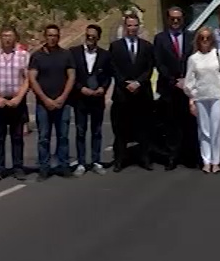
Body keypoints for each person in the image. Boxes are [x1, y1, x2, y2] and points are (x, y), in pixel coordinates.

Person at [0, 27, 32, 180]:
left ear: (16, 38)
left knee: (17, 137)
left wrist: (19, 98)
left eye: (10, 36)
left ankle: (18, 167)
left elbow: (28, 78)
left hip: (17, 101)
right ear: (0, 38)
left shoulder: (23, 55)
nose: (7, 39)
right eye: (4, 36)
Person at [28, 24, 76, 179]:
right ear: (45, 36)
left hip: (63, 103)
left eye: (55, 35)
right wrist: (45, 99)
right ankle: (44, 167)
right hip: (43, 104)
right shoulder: (37, 56)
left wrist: (63, 97)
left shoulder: (66, 54)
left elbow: (71, 77)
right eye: (49, 35)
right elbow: (32, 79)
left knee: (63, 136)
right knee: (43, 137)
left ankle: (64, 166)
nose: (52, 38)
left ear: (59, 37)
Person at [109, 13, 155, 172]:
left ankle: (145, 158)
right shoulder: (116, 46)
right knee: (121, 129)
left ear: (138, 27)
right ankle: (120, 160)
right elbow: (113, 67)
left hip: (142, 94)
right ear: (125, 27)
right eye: (129, 25)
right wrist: (125, 83)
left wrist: (138, 82)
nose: (132, 28)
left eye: (135, 25)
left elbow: (149, 68)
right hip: (123, 94)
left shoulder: (147, 46)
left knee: (144, 128)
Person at [185, 27, 220, 173]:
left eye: (208, 38)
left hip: (217, 96)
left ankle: (216, 161)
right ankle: (206, 160)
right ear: (198, 40)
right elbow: (189, 81)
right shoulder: (193, 58)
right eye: (202, 38)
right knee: (204, 129)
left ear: (212, 39)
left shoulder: (219, 54)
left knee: (216, 128)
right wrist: (192, 99)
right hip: (201, 97)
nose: (205, 41)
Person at [154, 6, 195, 170]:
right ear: (168, 19)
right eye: (172, 18)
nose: (176, 21)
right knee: (171, 124)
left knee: (189, 123)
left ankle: (189, 156)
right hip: (169, 88)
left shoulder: (191, 37)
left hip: (188, 86)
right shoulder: (160, 38)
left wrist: (187, 79)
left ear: (183, 19)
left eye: (178, 18)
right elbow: (159, 62)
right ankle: (172, 156)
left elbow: (195, 60)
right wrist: (173, 81)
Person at [70, 24, 113, 176]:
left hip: (97, 99)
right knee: (80, 131)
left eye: (93, 37)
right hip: (80, 98)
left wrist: (103, 88)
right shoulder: (74, 53)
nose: (90, 39)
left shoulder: (105, 55)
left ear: (98, 38)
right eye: (88, 36)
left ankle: (96, 161)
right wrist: (80, 88)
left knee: (97, 131)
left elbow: (108, 75)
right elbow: (71, 75)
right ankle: (81, 162)